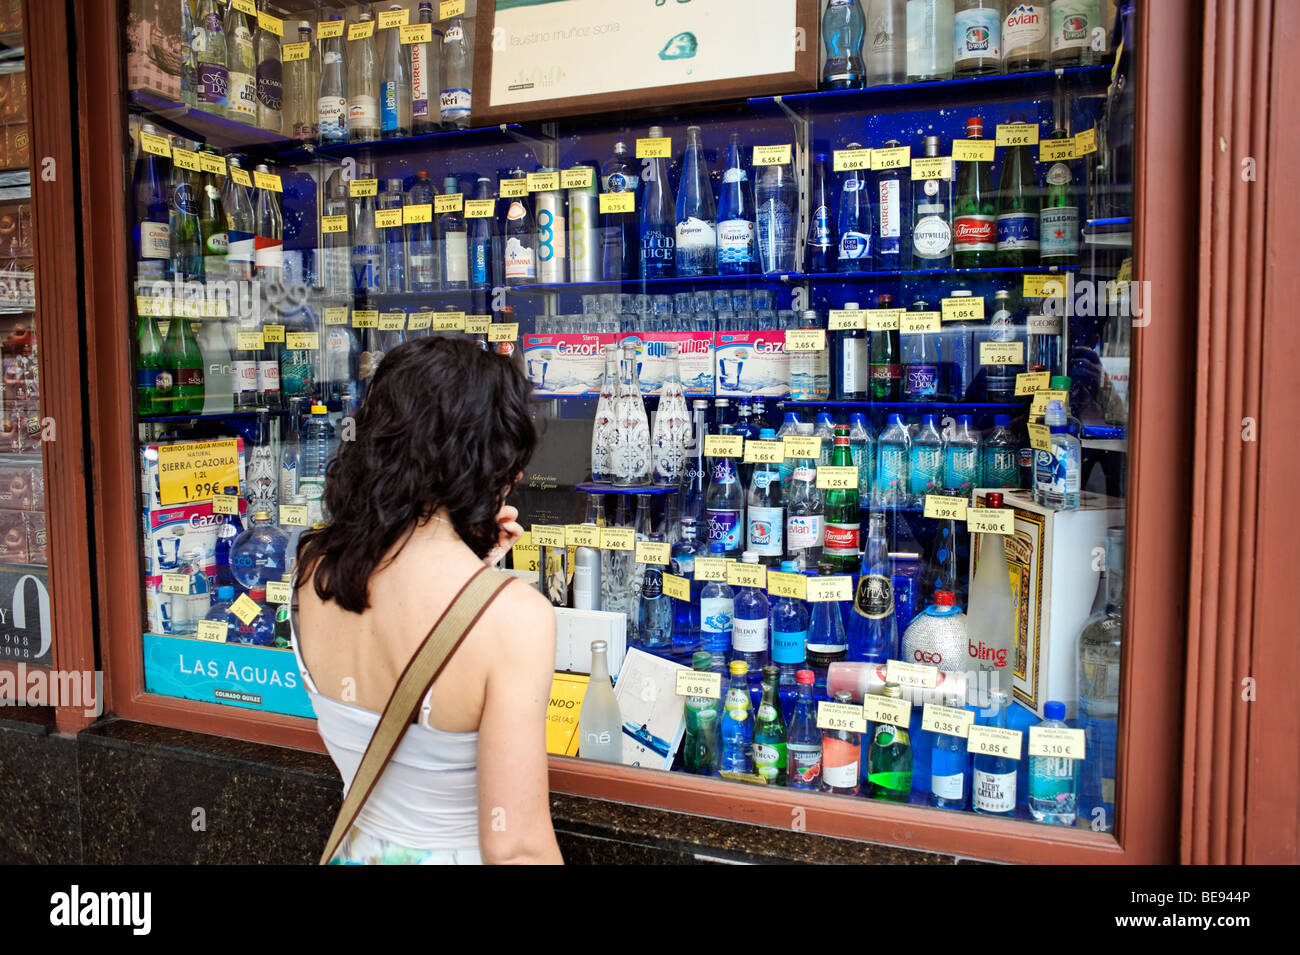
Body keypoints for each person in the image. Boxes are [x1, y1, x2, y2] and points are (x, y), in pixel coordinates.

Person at [292, 336, 562, 865]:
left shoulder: (313, 571)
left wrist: (474, 565)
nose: (518, 476)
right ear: (481, 459)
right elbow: (517, 848)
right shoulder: (514, 621)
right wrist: (482, 587)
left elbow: (413, 631)